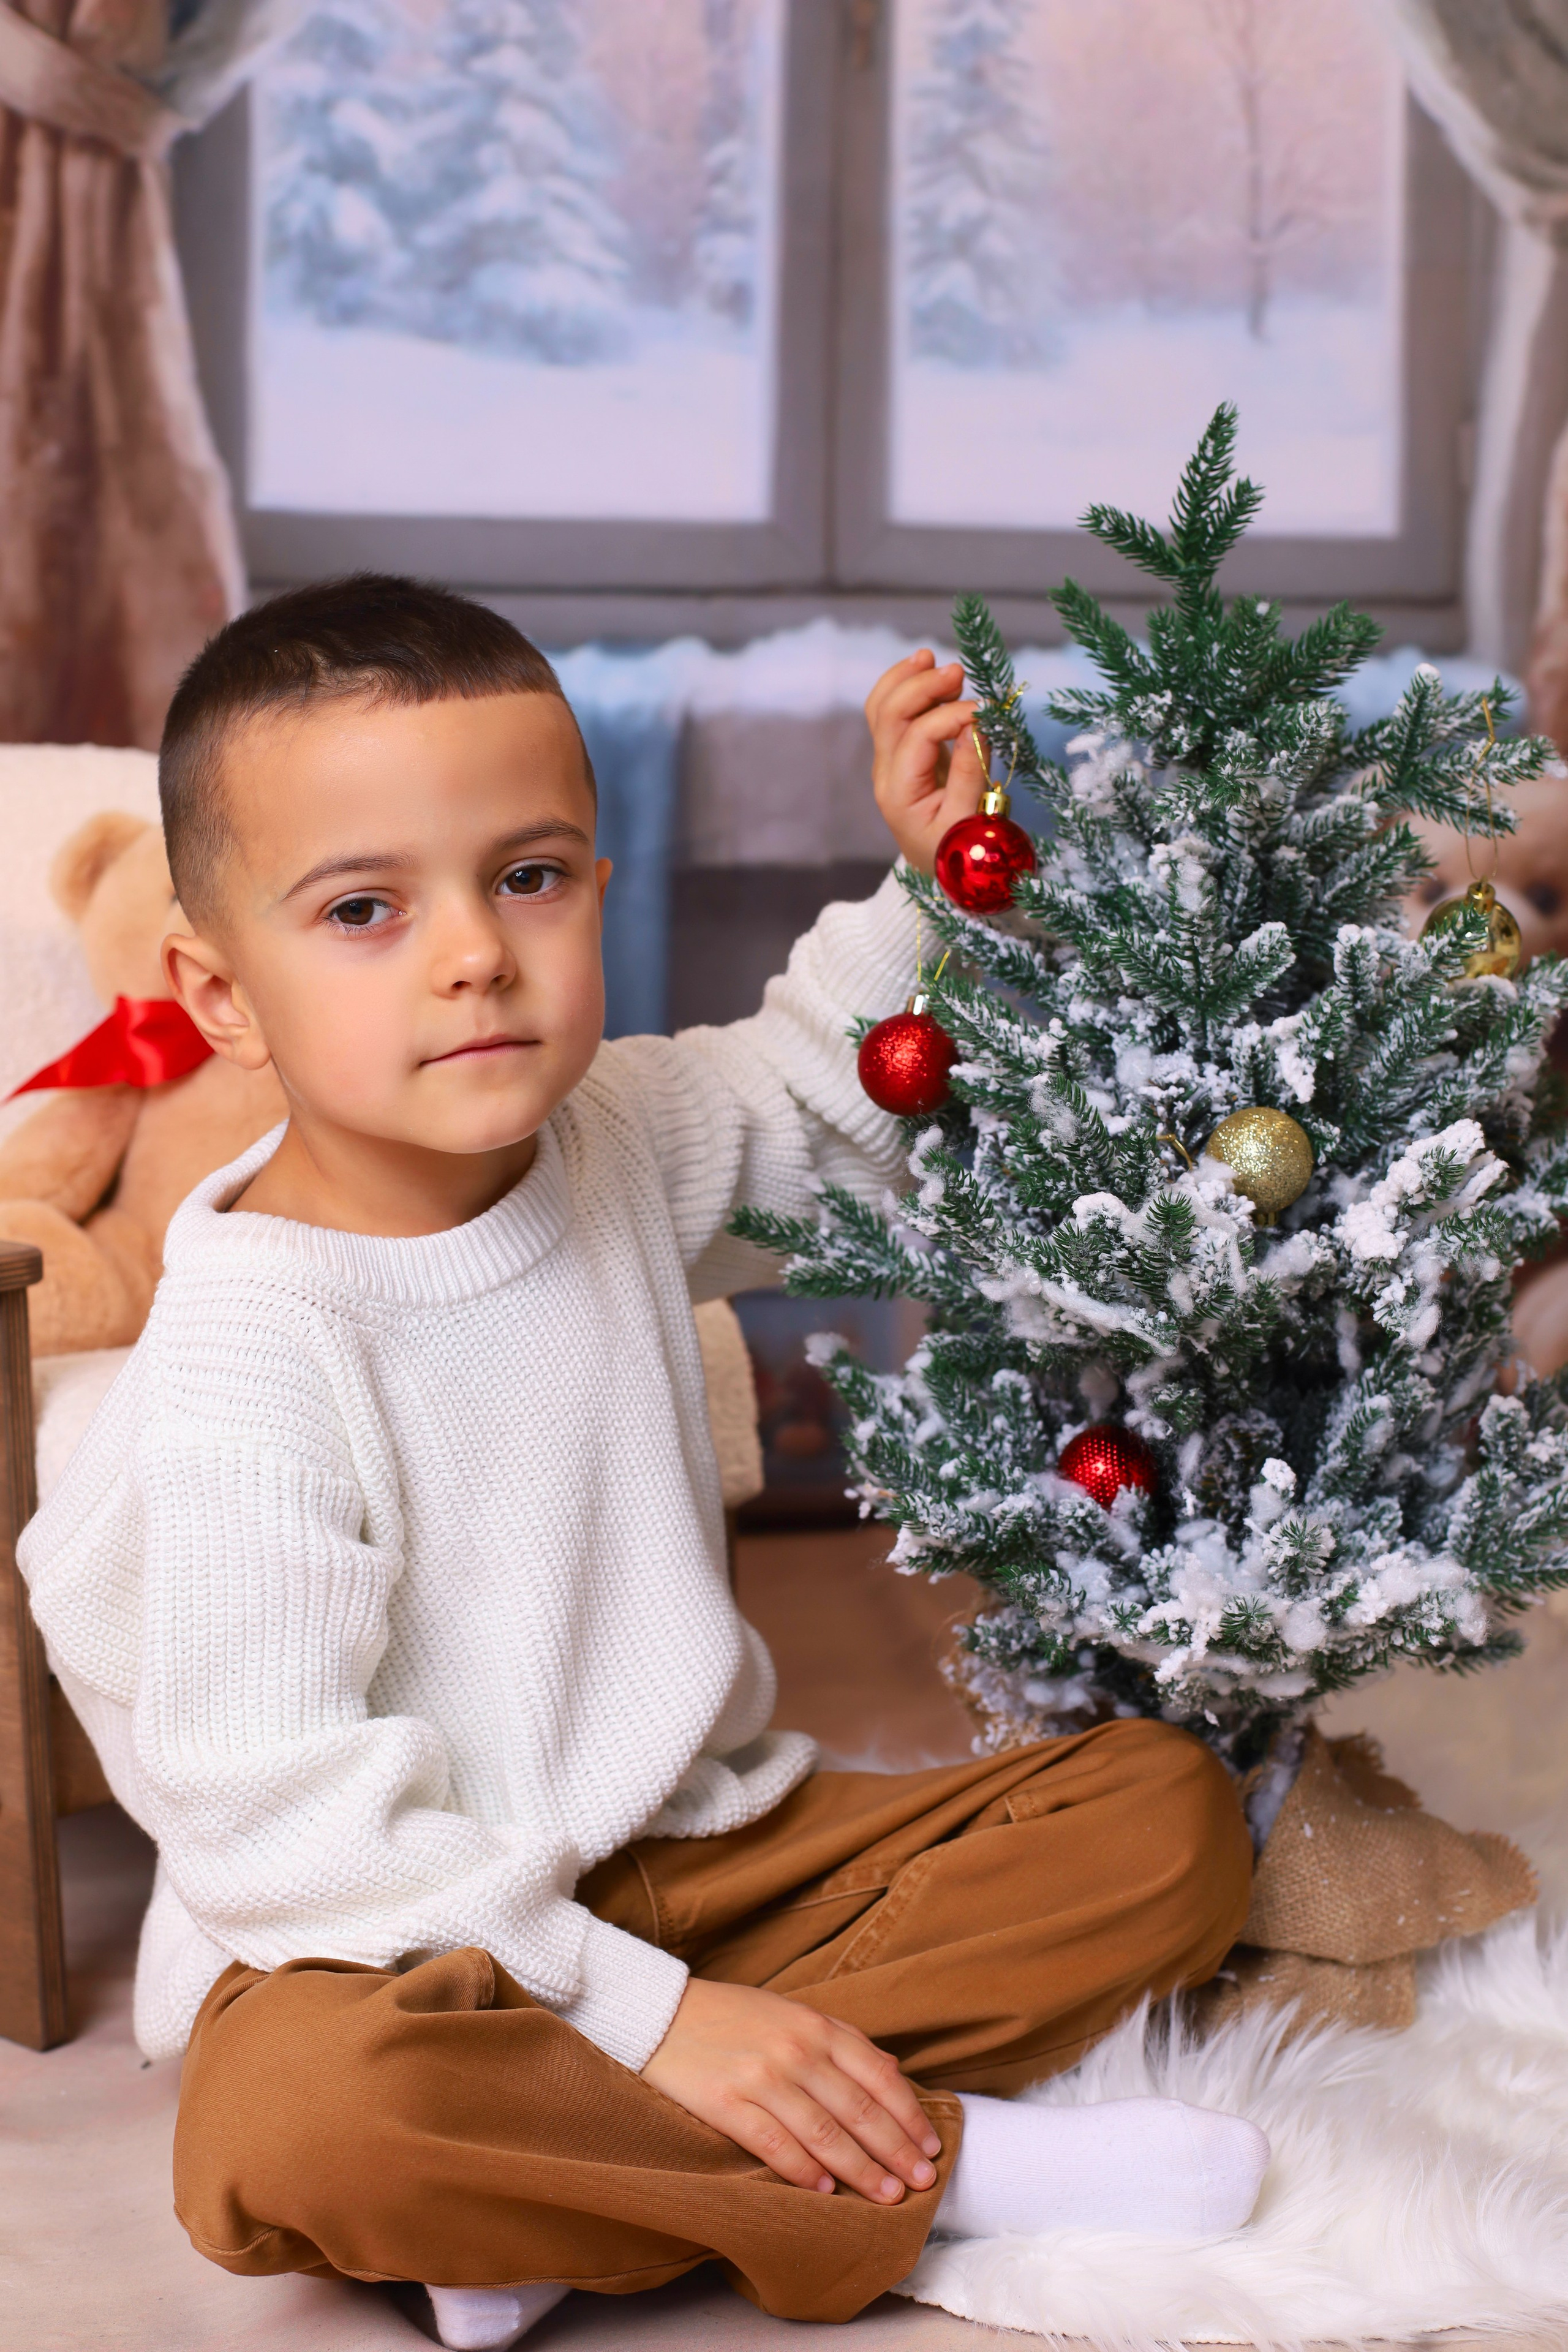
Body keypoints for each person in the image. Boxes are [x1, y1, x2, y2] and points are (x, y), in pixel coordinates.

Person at [18, 577, 1267, 2350]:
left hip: (715, 1848)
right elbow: (287, 1823)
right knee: (288, 2130)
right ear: (222, 994)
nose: (474, 953)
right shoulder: (249, 1354)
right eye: (366, 909)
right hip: (400, 1934)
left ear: (596, 890)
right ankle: (941, 2166)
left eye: (526, 877)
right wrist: (660, 2020)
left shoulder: (597, 1140)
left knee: (1161, 1819)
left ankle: (567, 2182)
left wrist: (928, 883)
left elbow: (805, 1092)